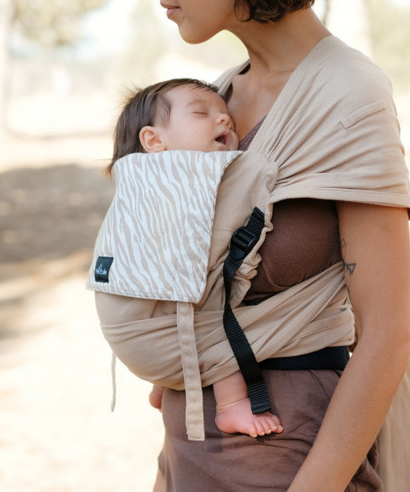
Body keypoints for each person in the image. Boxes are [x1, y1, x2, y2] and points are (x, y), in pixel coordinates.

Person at [134, 0, 410, 492]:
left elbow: (387, 335)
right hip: (196, 465)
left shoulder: (346, 95)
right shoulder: (217, 99)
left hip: (293, 467)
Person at [107, 77, 284, 438]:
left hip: (122, 323)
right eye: (202, 114)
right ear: (153, 140)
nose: (224, 121)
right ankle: (231, 407)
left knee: (179, 299)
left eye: (227, 117)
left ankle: (166, 380)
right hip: (144, 331)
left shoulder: (139, 179)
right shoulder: (189, 179)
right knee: (217, 327)